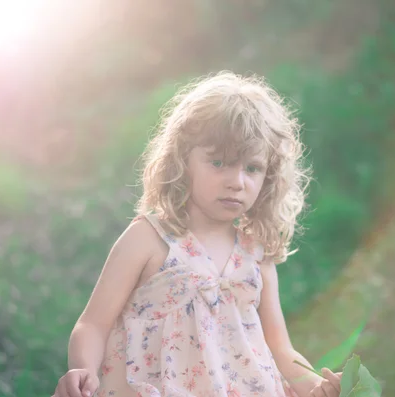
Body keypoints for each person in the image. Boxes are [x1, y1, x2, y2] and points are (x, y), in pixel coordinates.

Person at [53, 71, 342, 397]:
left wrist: (320, 387)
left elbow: (282, 352)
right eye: (219, 162)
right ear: (182, 160)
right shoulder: (149, 239)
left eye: (252, 168)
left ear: (269, 176)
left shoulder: (255, 255)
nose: (237, 181)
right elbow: (93, 323)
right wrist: (83, 369)